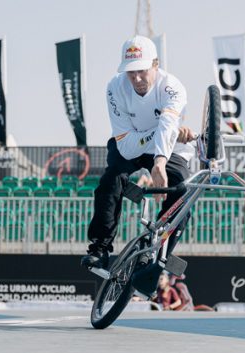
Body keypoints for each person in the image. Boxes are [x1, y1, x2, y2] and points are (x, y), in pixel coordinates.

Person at [82, 35, 195, 270]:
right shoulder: (115, 87)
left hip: (170, 149)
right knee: (110, 180)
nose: (137, 78)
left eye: (142, 71)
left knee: (183, 193)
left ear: (156, 64)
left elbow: (166, 127)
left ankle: (158, 252)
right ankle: (100, 248)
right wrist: (162, 128)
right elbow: (126, 145)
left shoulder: (172, 87)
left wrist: (160, 162)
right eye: (131, 72)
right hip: (133, 146)